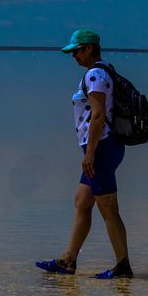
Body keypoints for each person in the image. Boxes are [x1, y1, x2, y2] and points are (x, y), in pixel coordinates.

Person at [36, 29, 133, 279]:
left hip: (101, 148)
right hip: (103, 147)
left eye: (77, 50)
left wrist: (90, 153)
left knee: (108, 207)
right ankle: (68, 260)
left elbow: (98, 115)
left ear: (89, 48)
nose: (74, 56)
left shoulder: (94, 75)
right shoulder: (102, 72)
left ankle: (123, 266)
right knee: (82, 200)